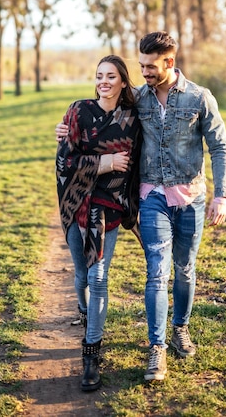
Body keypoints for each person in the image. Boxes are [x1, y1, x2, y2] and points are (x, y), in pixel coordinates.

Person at [56, 33, 226, 383]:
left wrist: (221, 195)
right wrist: (66, 129)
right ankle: (157, 348)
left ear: (170, 62)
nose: (145, 72)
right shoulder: (140, 99)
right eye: (141, 66)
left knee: (184, 270)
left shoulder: (199, 98)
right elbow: (93, 119)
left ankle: (179, 327)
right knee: (155, 273)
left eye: (151, 66)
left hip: (190, 197)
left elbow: (220, 147)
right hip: (150, 198)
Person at [55, 55, 142, 392]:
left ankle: (91, 354)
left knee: (99, 278)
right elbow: (65, 160)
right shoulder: (78, 111)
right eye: (99, 76)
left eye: (111, 76)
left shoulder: (133, 120)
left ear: (123, 81)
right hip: (76, 203)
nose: (103, 82)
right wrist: (105, 162)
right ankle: (86, 312)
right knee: (81, 276)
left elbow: (137, 164)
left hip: (109, 208)